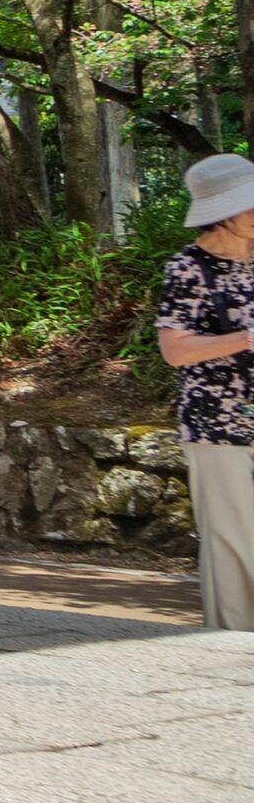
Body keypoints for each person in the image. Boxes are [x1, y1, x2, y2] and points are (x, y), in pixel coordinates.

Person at [154, 153, 254, 629]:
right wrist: (245, 338)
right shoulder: (188, 268)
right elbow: (175, 349)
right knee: (232, 540)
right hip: (217, 423)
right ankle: (232, 646)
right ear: (223, 212)